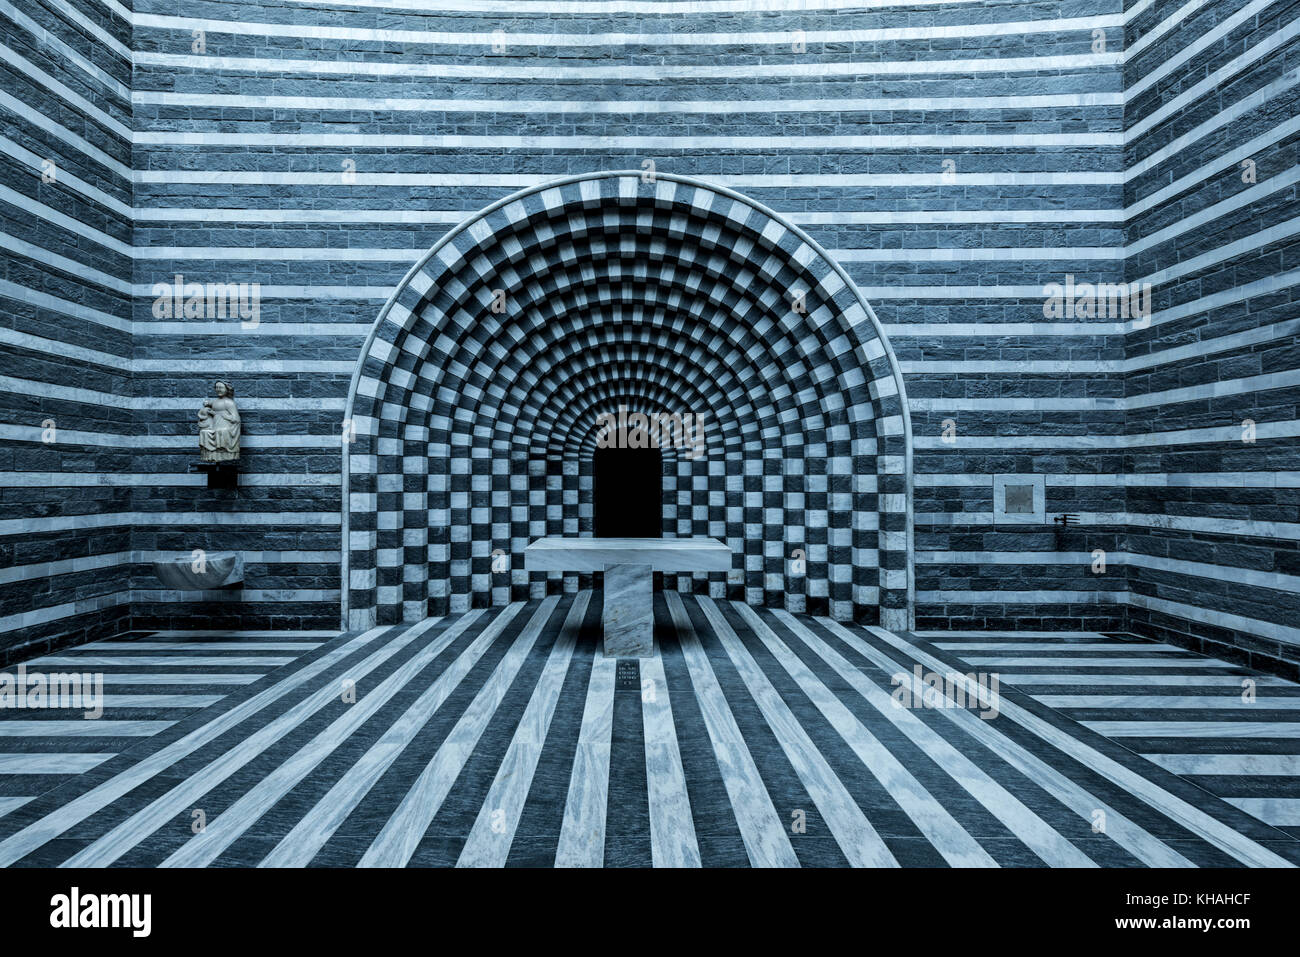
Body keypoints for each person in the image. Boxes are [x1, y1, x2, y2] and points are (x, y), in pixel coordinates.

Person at [198, 380, 241, 462]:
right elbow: (208, 404)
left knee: (221, 432)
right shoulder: (215, 401)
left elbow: (236, 419)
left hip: (225, 427)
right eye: (217, 387)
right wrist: (207, 406)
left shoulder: (229, 403)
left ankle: (224, 455)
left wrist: (225, 416)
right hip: (214, 425)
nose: (218, 389)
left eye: (221, 387)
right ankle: (210, 455)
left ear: (226, 389)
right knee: (204, 432)